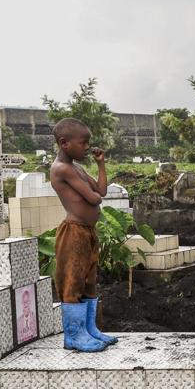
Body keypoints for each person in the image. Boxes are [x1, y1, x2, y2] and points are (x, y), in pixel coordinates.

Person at [50, 118, 117, 352]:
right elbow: (94, 198)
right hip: (74, 231)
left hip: (87, 232)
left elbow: (101, 190)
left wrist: (101, 165)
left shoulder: (76, 168)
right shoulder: (62, 169)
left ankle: (89, 330)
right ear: (64, 143)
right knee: (72, 282)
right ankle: (74, 335)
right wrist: (95, 194)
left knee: (89, 281)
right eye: (83, 143)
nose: (88, 147)